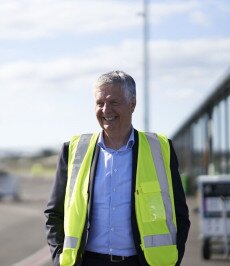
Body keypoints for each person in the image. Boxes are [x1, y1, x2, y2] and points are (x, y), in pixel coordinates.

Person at [44, 70, 190, 266]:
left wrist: (174, 259)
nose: (105, 110)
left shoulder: (160, 149)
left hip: (141, 262)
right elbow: (54, 214)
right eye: (99, 103)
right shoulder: (73, 150)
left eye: (113, 102)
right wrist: (58, 258)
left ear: (132, 104)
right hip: (87, 261)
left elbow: (179, 213)